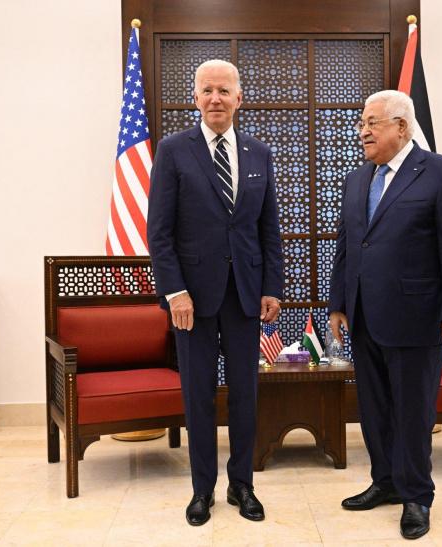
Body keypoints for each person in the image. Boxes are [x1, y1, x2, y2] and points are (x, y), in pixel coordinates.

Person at [329, 90, 442, 540]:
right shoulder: (357, 179)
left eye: (373, 122)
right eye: (362, 123)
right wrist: (337, 304)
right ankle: (386, 481)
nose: (363, 131)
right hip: (364, 315)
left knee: (412, 411)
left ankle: (416, 496)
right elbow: (348, 246)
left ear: (402, 127)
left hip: (417, 316)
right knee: (374, 408)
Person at [147, 59, 284, 526]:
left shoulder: (259, 153)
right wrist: (175, 292)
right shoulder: (173, 151)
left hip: (245, 295)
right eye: (207, 90)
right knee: (198, 396)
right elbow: (159, 232)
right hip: (192, 300)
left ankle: (241, 485)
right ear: (196, 98)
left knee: (245, 395)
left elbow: (268, 230)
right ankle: (201, 489)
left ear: (239, 98)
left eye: (224, 90)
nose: (215, 99)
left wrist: (272, 287)